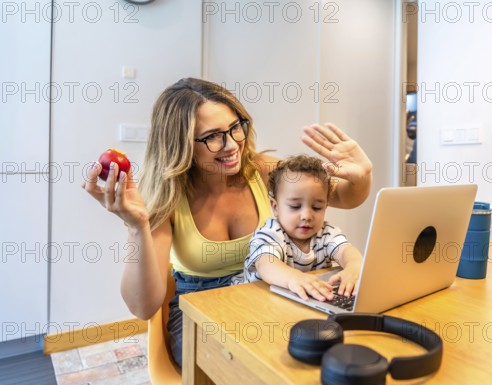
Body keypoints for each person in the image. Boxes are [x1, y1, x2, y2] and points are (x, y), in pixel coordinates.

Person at [82, 78, 373, 368]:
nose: (232, 144)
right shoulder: (169, 196)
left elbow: (345, 197)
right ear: (181, 145)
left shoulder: (261, 170)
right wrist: (137, 226)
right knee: (240, 369)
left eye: (235, 127)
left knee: (316, 354)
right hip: (202, 306)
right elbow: (143, 306)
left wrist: (362, 175)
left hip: (267, 292)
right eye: (213, 136)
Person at [240, 155, 363, 301]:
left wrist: (354, 266)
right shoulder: (270, 233)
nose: (306, 215)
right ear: (275, 207)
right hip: (254, 300)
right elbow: (266, 264)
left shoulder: (326, 233)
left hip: (297, 301)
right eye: (295, 206)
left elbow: (345, 251)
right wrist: (294, 278)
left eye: (317, 207)